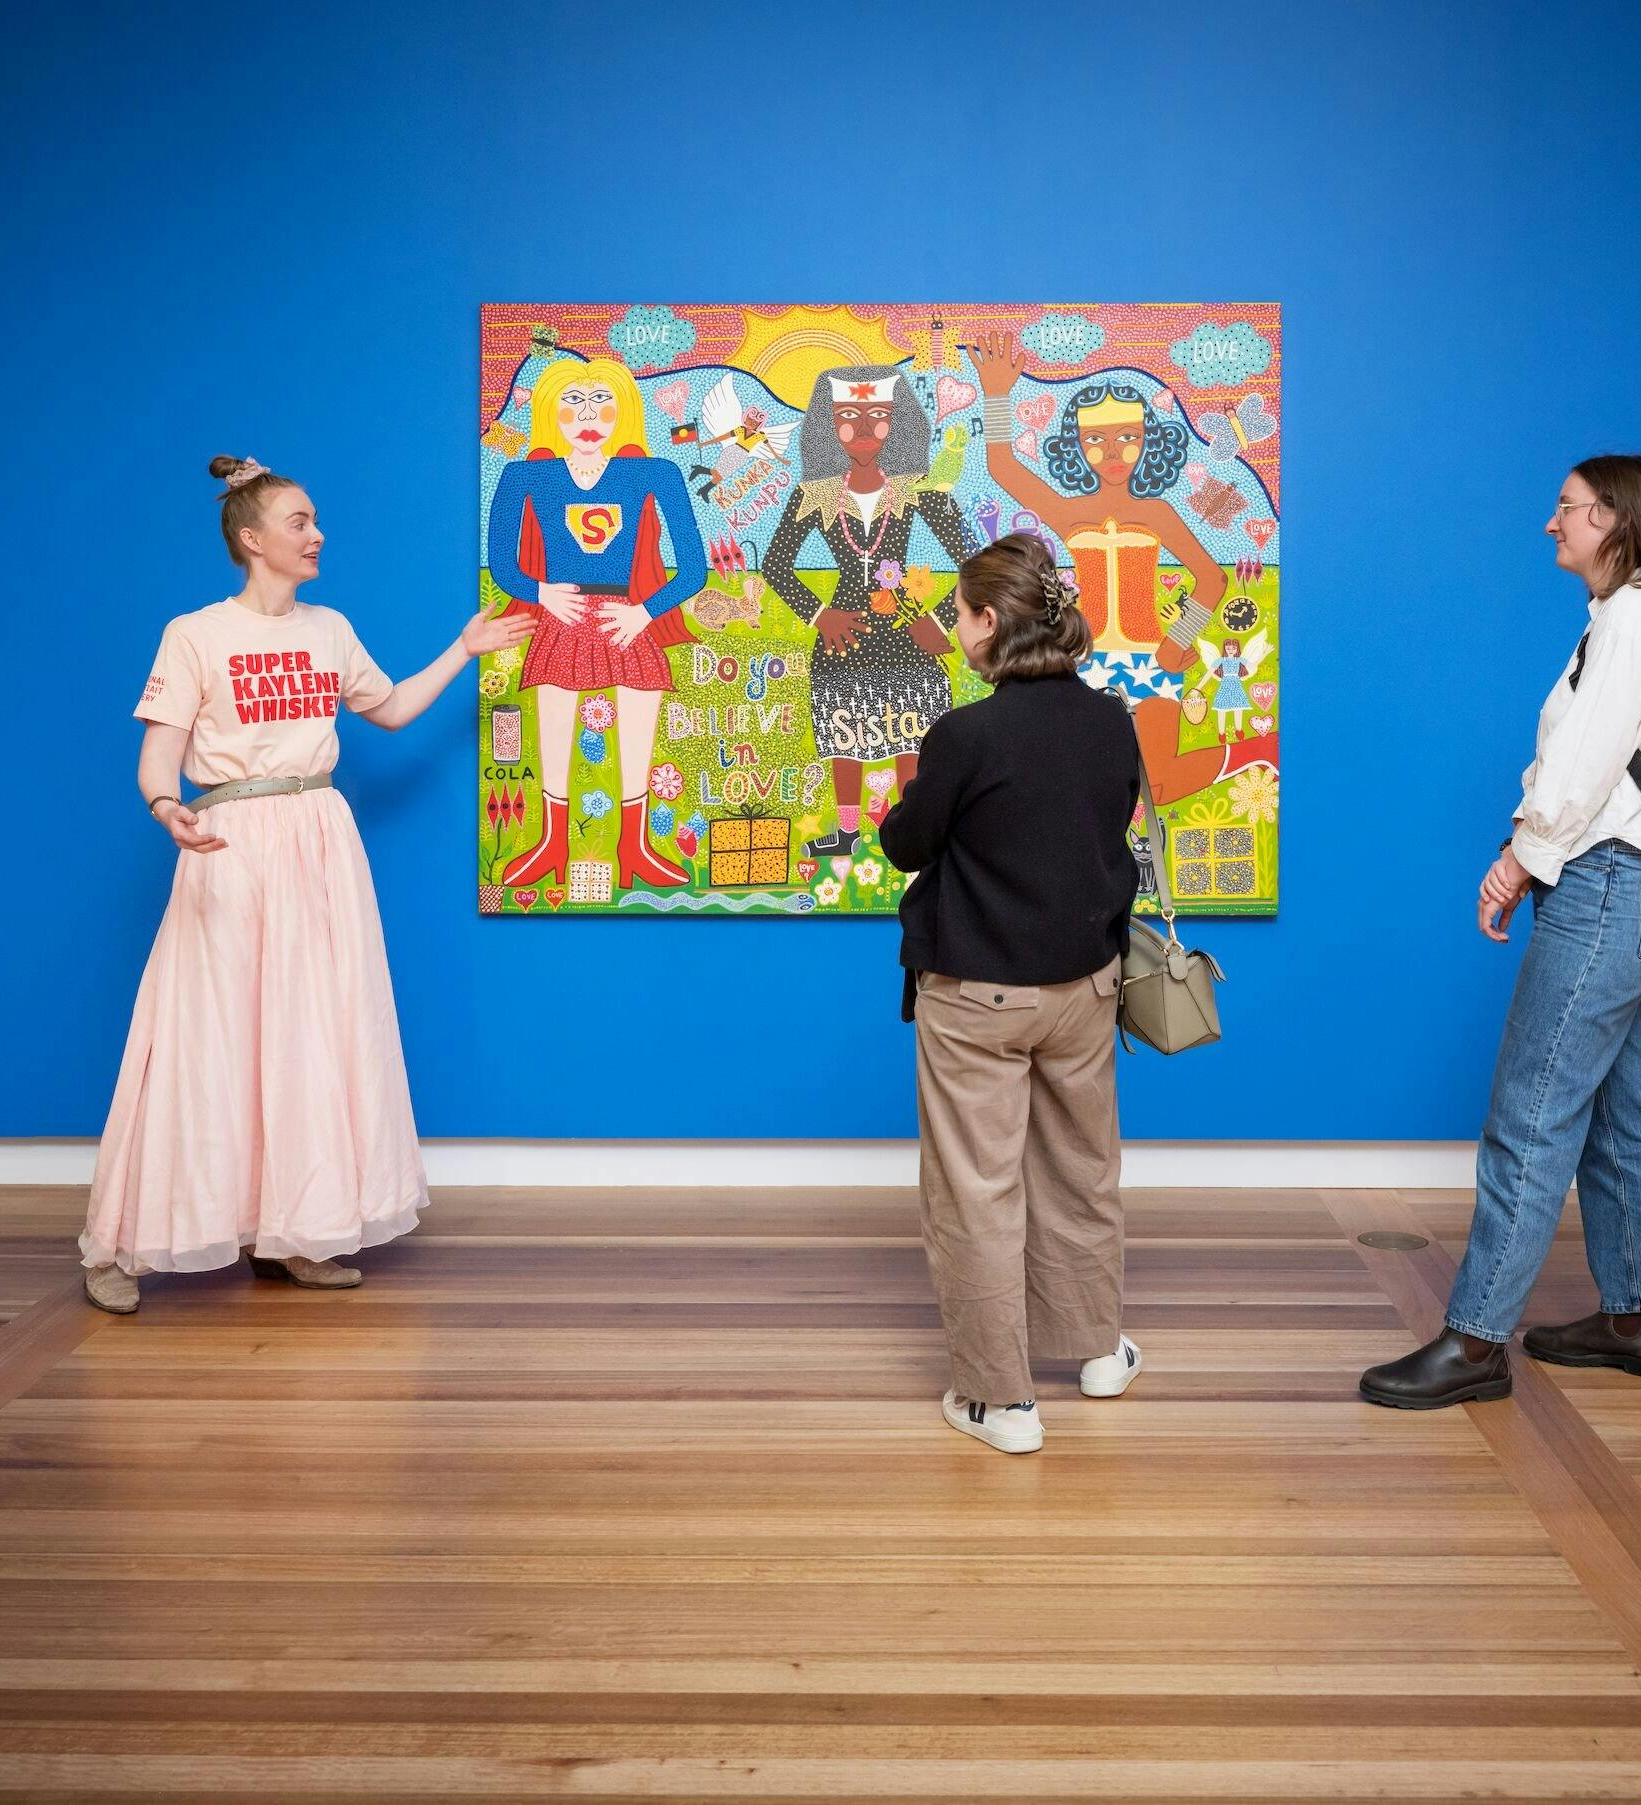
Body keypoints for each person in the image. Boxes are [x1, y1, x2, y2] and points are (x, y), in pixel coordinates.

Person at [79, 456, 528, 1314]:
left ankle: (295, 1232)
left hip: (320, 838)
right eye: (299, 521)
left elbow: (390, 709)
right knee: (200, 1039)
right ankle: (117, 1244)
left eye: (315, 520)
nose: (317, 534)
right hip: (230, 841)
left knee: (312, 1036)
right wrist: (169, 810)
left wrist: (463, 649)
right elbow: (158, 757)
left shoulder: (329, 630)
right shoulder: (195, 633)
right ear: (252, 539)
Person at [1360, 455, 1641, 1407]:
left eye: (1566, 507)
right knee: (1622, 1104)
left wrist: (1521, 859)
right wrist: (1527, 849)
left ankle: (1476, 1339)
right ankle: (1640, 1318)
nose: (1551, 523)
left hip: (1609, 885)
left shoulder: (1637, 617)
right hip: (1630, 886)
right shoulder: (1630, 618)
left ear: (1615, 518)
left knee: (1532, 1109)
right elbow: (1590, 761)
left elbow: (1586, 764)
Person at [880, 533, 1145, 1454]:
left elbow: (909, 844)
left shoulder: (965, 735)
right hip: (1084, 987)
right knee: (1082, 1170)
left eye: (959, 613)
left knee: (978, 1191)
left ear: (990, 621)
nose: (957, 627)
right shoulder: (1112, 721)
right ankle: (1099, 1351)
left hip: (978, 996)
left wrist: (902, 801)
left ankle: (1000, 1401)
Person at [968, 330, 1275, 808]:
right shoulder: (1070, 513)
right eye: (1096, 440)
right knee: (1077, 784)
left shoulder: (1156, 513)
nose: (1112, 454)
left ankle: (1259, 750)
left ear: (1148, 441)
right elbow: (1003, 468)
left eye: (1128, 438)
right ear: (1077, 446)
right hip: (1081, 664)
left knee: (1160, 784)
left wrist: (1175, 643)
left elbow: (1212, 578)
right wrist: (996, 395)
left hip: (1151, 660)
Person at [484, 357, 710, 891]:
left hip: (626, 620)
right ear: (550, 412)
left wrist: (644, 612)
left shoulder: (654, 474)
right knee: (555, 726)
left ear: (623, 411)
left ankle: (635, 849)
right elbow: (501, 563)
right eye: (573, 403)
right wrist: (540, 593)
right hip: (561, 619)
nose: (588, 417)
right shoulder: (525, 476)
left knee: (638, 727)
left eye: (602, 403)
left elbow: (694, 567)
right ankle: (552, 844)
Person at [760, 365, 975, 857]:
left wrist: (937, 620)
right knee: (843, 728)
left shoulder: (919, 488)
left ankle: (912, 828)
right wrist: (820, 615)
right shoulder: (814, 494)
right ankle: (847, 832)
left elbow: (975, 560)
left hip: (904, 627)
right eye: (847, 417)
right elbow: (775, 564)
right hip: (843, 631)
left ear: (898, 424)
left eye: (877, 415)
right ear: (827, 425)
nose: (862, 428)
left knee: (909, 731)